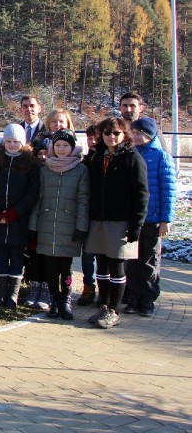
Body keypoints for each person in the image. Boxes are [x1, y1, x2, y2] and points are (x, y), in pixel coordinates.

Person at [84, 117, 148, 329]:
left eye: (116, 133)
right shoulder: (96, 157)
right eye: (107, 133)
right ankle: (103, 305)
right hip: (98, 219)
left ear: (124, 135)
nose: (111, 137)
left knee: (117, 265)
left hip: (120, 221)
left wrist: (136, 224)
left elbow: (141, 193)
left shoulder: (132, 158)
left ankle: (114, 309)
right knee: (101, 265)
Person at [28, 129, 89, 320]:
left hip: (69, 226)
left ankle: (66, 300)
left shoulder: (81, 170)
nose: (61, 149)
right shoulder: (45, 170)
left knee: (66, 266)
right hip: (47, 224)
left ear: (72, 147)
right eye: (58, 145)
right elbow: (38, 199)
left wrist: (81, 226)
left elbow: (83, 200)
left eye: (66, 145)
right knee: (50, 267)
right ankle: (54, 300)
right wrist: (33, 225)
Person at [0, 124, 39, 309]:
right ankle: (1, 293)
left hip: (18, 220)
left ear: (22, 143)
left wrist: (14, 212)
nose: (12, 145)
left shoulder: (30, 164)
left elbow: (32, 192)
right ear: (3, 142)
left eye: (16, 141)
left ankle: (13, 294)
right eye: (9, 141)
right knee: (0, 254)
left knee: (16, 256)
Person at [128, 117, 176, 317]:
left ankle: (147, 299)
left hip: (153, 218)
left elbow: (168, 190)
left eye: (140, 133)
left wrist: (166, 219)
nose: (137, 136)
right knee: (132, 260)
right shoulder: (131, 153)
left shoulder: (161, 157)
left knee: (149, 261)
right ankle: (132, 297)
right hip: (133, 218)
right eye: (135, 133)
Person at [77, 123, 101, 306]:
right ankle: (88, 287)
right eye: (90, 138)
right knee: (87, 254)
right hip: (87, 213)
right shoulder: (85, 161)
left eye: (96, 138)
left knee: (104, 256)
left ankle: (105, 290)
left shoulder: (107, 158)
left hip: (104, 215)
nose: (92, 141)